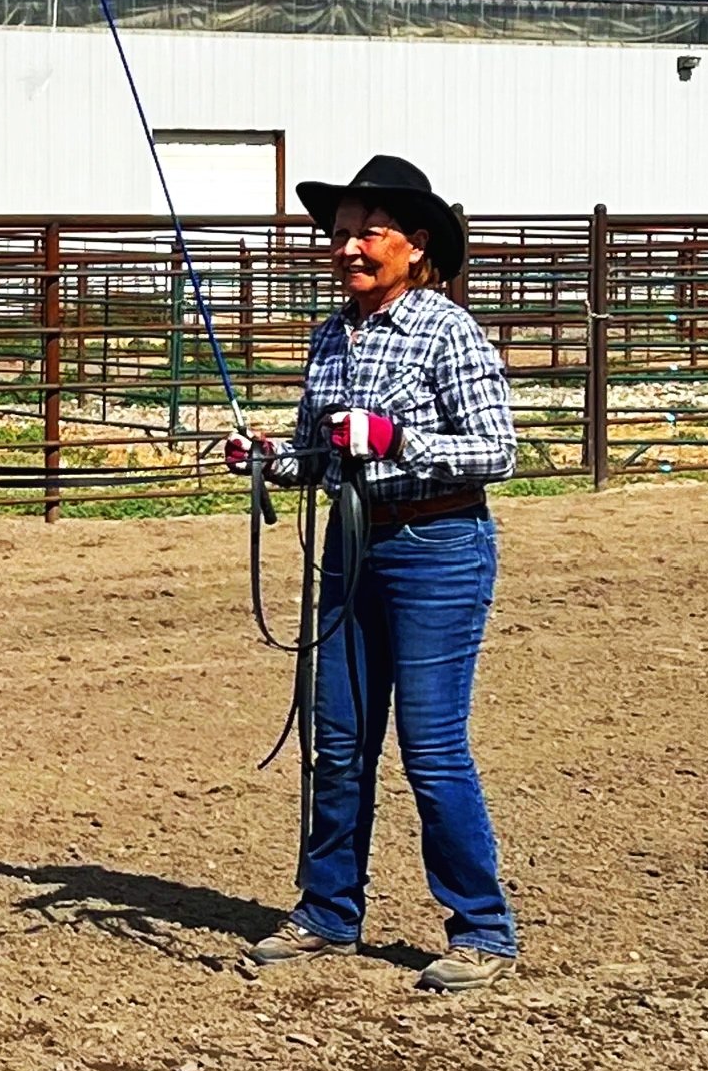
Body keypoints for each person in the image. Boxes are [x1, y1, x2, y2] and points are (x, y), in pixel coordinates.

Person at [223, 155, 520, 992]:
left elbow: (498, 451)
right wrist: (272, 459)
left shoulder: (448, 331)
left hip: (436, 554)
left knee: (431, 749)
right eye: (342, 234)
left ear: (415, 245)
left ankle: (482, 929)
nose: (349, 247)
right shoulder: (330, 335)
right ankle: (327, 911)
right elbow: (323, 458)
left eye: (368, 233)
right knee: (339, 743)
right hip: (352, 552)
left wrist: (396, 442)